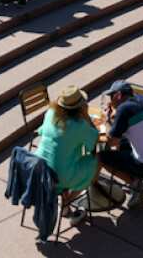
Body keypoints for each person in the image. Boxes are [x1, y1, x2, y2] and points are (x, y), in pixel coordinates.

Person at [33, 85, 99, 226]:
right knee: (97, 161)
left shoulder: (50, 113)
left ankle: (65, 204)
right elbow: (93, 144)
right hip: (59, 177)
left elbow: (41, 131)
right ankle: (67, 201)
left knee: (64, 158)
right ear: (80, 107)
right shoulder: (80, 125)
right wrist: (87, 117)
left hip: (39, 170)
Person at [97, 81, 143, 206]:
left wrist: (108, 120)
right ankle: (134, 177)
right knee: (123, 141)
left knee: (101, 157)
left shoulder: (124, 109)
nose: (110, 100)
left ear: (118, 95)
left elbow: (112, 142)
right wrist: (116, 115)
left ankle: (136, 185)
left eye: (111, 96)